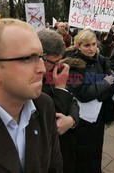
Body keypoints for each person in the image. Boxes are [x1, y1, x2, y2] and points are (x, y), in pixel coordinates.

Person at [0, 18, 63, 172]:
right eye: (28, 58)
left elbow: (54, 166)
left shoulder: (44, 105)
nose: (42, 68)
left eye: (41, 57)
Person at [63, 29, 114, 173]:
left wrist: (99, 94)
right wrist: (105, 84)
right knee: (82, 152)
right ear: (78, 45)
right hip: (81, 118)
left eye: (93, 44)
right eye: (87, 45)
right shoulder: (73, 64)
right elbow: (83, 93)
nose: (91, 48)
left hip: (99, 116)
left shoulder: (102, 60)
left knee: (96, 149)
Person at [36, 28, 79, 173]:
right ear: (40, 56)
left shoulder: (54, 70)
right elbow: (51, 117)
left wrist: (71, 120)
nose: (58, 66)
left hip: (64, 149)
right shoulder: (32, 78)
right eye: (54, 62)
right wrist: (60, 87)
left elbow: (72, 100)